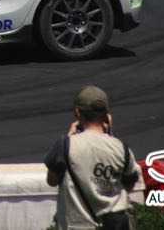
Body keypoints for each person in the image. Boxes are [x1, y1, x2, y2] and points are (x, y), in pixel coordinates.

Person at [44, 86, 141, 230]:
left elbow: (52, 181)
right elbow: (129, 185)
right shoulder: (122, 149)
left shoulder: (64, 146)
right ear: (106, 115)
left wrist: (69, 136)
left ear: (77, 113)